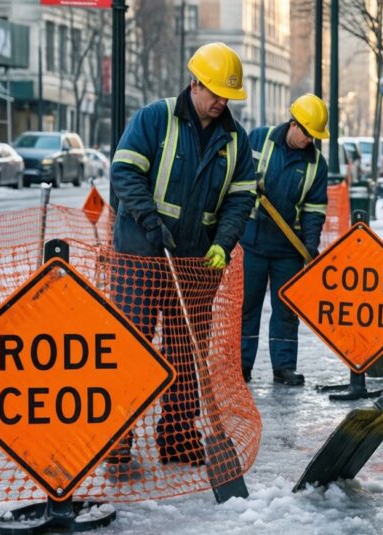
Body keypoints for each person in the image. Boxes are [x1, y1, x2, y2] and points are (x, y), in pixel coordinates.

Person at [110, 42, 256, 464]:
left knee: (185, 350)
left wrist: (222, 244)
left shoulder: (235, 140)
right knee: (132, 346)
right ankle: (118, 438)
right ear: (194, 84)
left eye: (227, 95)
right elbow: (124, 170)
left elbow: (241, 198)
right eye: (214, 93)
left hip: (194, 264)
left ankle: (176, 436)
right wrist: (149, 220)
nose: (221, 102)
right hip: (141, 255)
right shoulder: (156, 118)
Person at [239, 94, 329, 387]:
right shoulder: (259, 140)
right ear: (293, 124)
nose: (309, 141)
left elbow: (315, 209)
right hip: (252, 241)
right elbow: (238, 179)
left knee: (287, 310)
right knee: (246, 306)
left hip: (289, 249)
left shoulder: (317, 164)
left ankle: (284, 366)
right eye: (307, 134)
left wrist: (311, 244)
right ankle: (242, 364)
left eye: (314, 137)